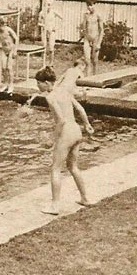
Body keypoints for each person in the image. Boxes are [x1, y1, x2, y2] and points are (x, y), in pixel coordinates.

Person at [32, 66, 95, 214]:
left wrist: (54, 136)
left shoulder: (50, 97)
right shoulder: (65, 92)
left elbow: (60, 120)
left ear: (47, 83)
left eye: (39, 83)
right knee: (73, 166)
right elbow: (80, 109)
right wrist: (87, 124)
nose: (37, 86)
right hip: (76, 130)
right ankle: (85, 198)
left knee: (55, 168)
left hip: (66, 132)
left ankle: (55, 206)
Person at [80, 0, 104, 76]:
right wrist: (83, 34)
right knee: (87, 60)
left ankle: (95, 76)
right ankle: (87, 77)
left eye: (91, 5)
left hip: (95, 39)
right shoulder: (86, 15)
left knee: (94, 60)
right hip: (87, 39)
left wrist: (99, 43)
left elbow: (101, 30)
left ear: (95, 5)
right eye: (88, 5)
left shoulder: (98, 15)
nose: (90, 7)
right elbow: (83, 27)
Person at [0, 17, 19, 93]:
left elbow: (16, 38)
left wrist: (15, 50)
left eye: (2, 27)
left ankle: (11, 85)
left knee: (9, 68)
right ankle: (5, 84)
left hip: (11, 49)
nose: (1, 29)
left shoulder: (8, 29)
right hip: (3, 50)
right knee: (4, 68)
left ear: (3, 25)